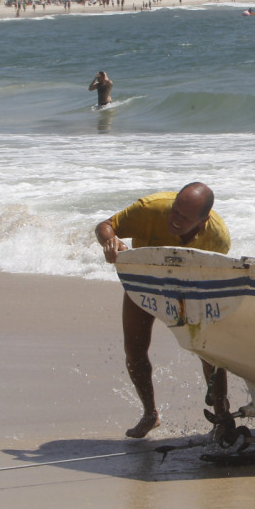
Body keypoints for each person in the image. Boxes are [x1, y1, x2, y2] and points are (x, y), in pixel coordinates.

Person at [95, 182, 232, 438]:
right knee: (134, 350)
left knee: (209, 353)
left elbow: (212, 278)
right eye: (175, 210)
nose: (174, 219)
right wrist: (110, 241)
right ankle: (150, 414)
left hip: (189, 286)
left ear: (202, 221)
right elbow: (105, 226)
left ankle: (222, 416)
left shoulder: (217, 237)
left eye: (184, 217)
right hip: (146, 279)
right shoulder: (151, 208)